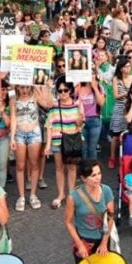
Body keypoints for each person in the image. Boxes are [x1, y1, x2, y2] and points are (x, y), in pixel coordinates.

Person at [64, 159, 115, 263]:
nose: (98, 178)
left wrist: (104, 243)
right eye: (93, 175)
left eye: (99, 173)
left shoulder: (106, 190)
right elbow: (68, 222)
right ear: (83, 178)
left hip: (102, 238)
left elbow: (110, 217)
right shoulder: (73, 196)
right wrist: (79, 245)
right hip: (84, 240)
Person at [46, 79, 85, 209]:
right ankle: (61, 194)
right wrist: (48, 145)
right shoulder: (54, 105)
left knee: (72, 168)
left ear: (70, 90)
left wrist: (80, 115)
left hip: (72, 140)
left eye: (65, 90)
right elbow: (49, 126)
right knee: (59, 168)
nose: (62, 93)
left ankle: (71, 194)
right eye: (60, 90)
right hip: (58, 140)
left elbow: (80, 125)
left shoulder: (77, 104)